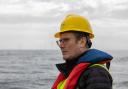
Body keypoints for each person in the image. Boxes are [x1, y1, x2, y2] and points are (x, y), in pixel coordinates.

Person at [52, 14, 113, 89]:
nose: (61, 45)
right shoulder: (71, 71)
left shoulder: (96, 74)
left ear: (82, 41)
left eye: (66, 40)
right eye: (60, 41)